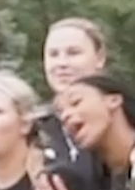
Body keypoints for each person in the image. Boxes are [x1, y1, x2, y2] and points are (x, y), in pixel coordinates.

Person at [37, 17, 108, 167]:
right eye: (53, 54)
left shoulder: (124, 121)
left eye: (73, 53)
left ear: (100, 58)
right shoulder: (34, 130)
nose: (62, 63)